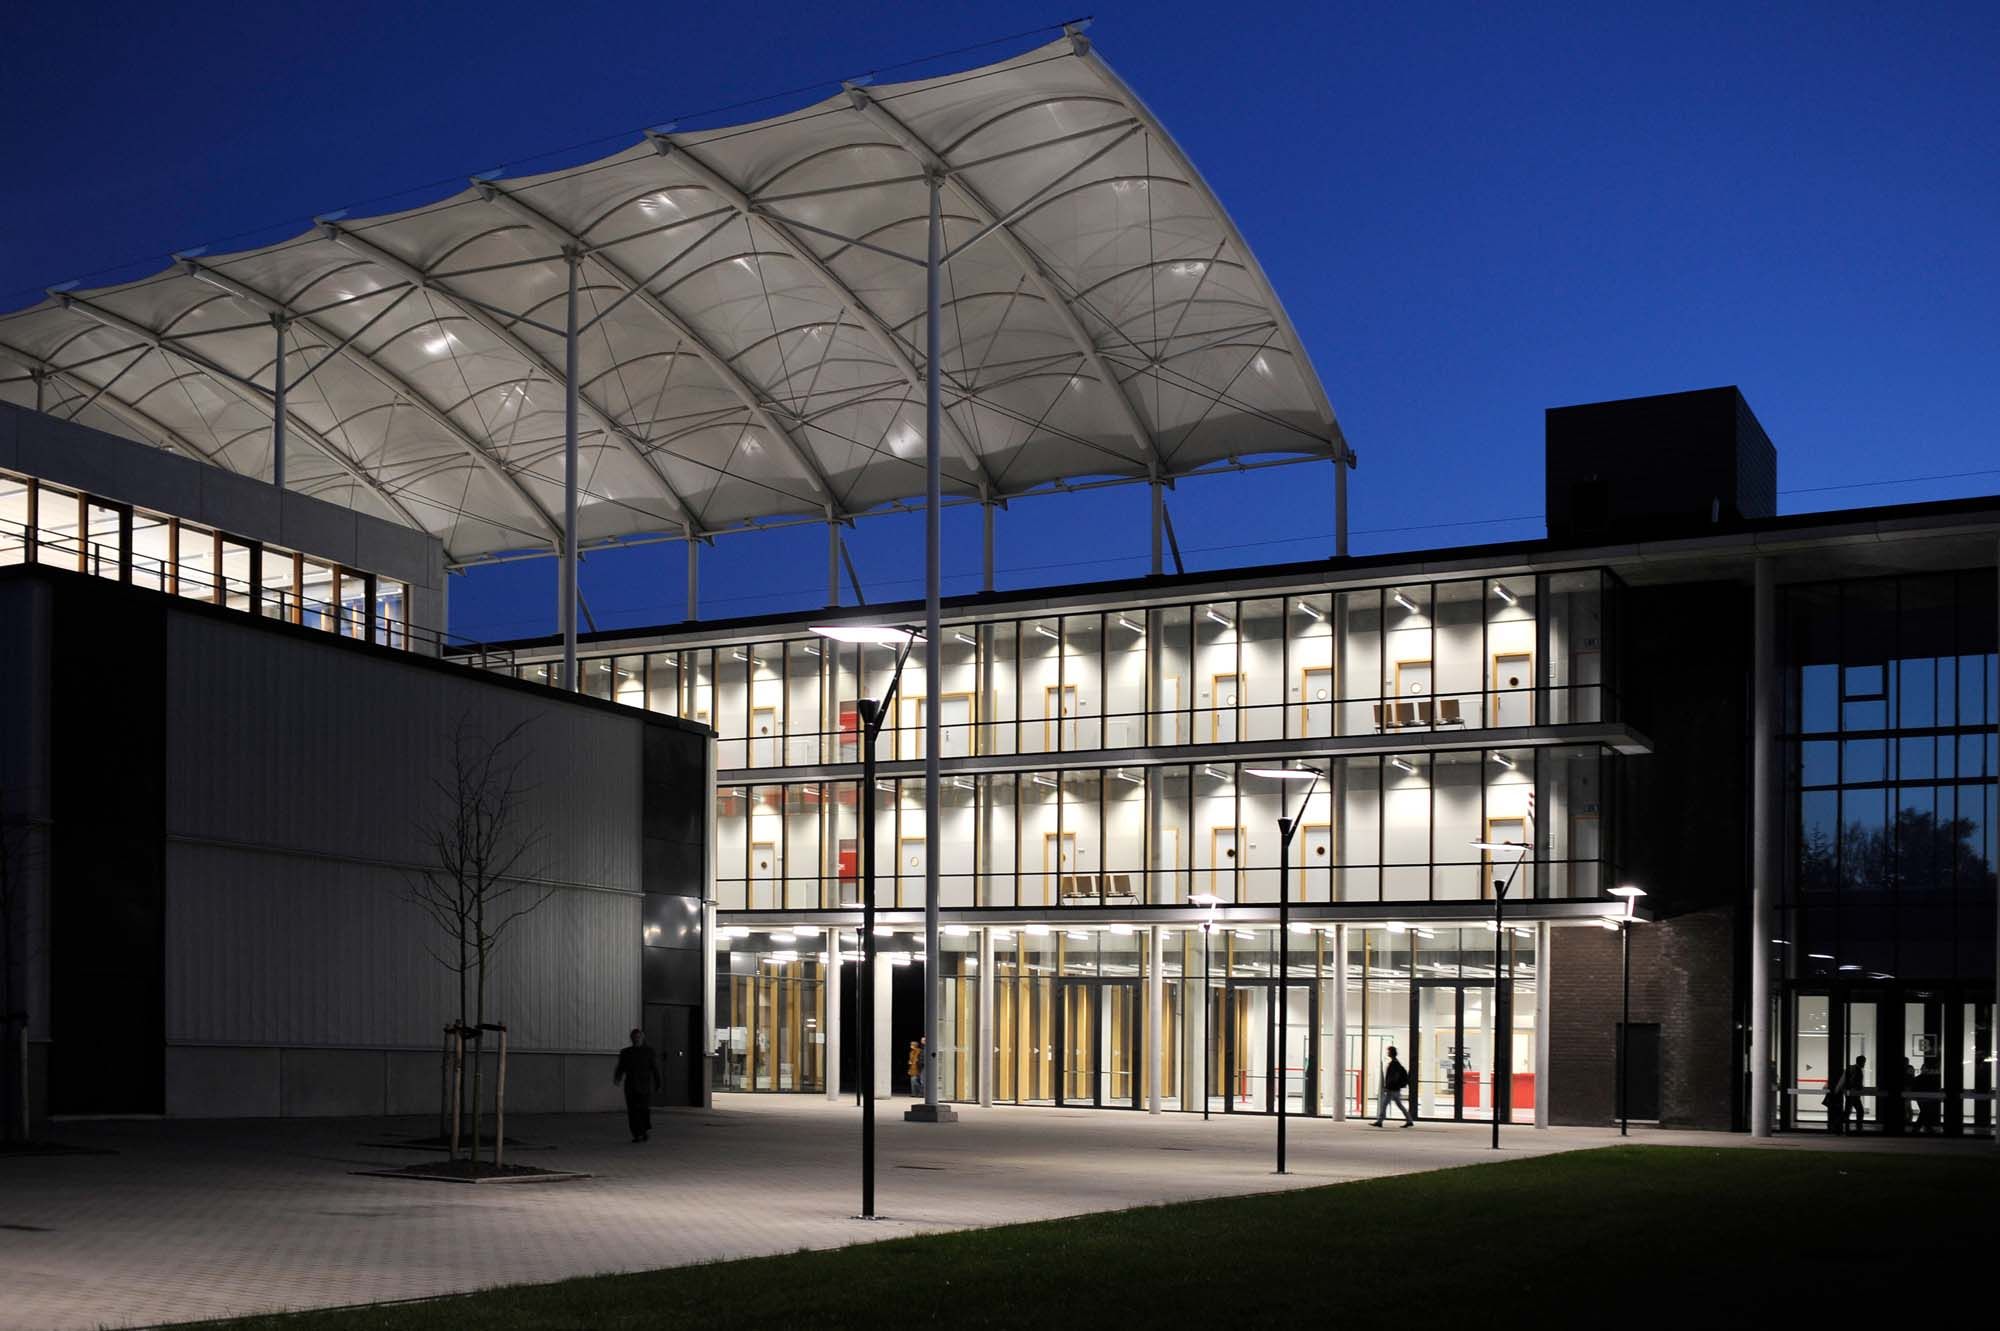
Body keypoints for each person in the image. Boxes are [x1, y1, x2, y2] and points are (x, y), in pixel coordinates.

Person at [613, 1027, 662, 1143]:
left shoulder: (649, 1052)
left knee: (644, 1109)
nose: (637, 1039)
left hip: (644, 1086)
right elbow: (621, 1067)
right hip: (631, 1086)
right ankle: (637, 1134)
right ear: (631, 1039)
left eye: (639, 1037)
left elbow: (654, 1068)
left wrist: (658, 1083)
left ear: (642, 1038)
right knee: (633, 1111)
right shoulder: (626, 1052)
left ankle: (644, 1130)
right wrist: (617, 1077)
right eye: (635, 1037)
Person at [1374, 1046, 1414, 1127]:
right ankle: (1409, 1120)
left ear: (1391, 1053)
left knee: (1385, 1104)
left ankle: (1380, 1121)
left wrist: (1388, 1086)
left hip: (1392, 1088)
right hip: (1394, 1088)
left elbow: (1393, 1077)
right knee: (1396, 1104)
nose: (1387, 1053)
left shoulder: (1394, 1064)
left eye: (1388, 1051)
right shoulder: (1395, 1063)